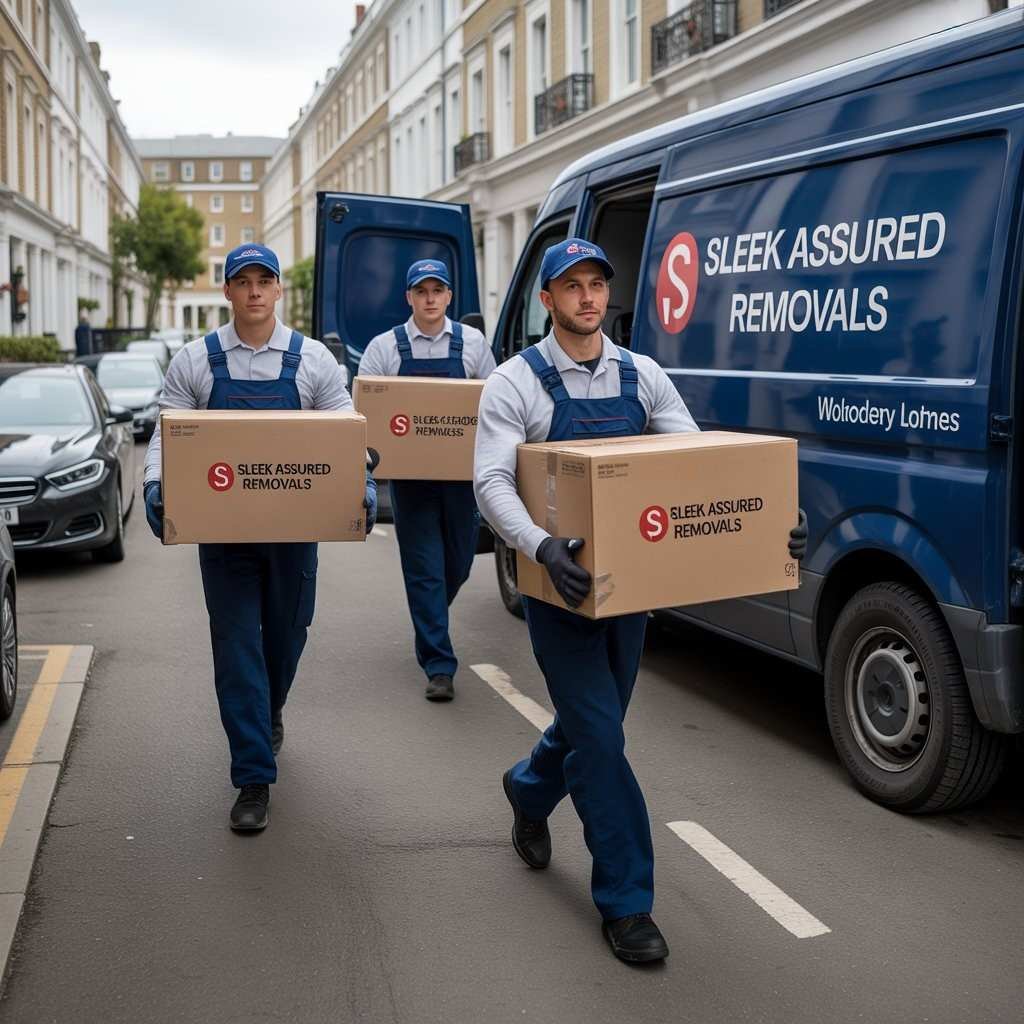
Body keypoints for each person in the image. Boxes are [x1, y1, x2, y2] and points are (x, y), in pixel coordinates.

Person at [474, 238, 808, 964]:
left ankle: (529, 790)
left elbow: (692, 470)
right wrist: (541, 547)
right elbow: (492, 482)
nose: (587, 297)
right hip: (556, 590)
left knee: (591, 729)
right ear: (547, 299)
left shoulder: (642, 374)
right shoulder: (514, 384)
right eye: (572, 286)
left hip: (629, 593)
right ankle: (627, 902)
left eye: (597, 283)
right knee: (601, 739)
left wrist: (770, 522)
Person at [142, 243, 377, 833]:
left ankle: (269, 708)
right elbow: (165, 437)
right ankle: (252, 775)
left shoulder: (315, 361)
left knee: (287, 636)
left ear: (277, 291)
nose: (252, 291)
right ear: (226, 292)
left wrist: (362, 488)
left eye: (263, 281)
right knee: (237, 645)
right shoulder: (195, 362)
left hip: (295, 533)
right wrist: (155, 487)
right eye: (241, 281)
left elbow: (347, 433)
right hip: (222, 535)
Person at [359, 259, 495, 702]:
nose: (431, 298)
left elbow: (492, 405)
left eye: (438, 290)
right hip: (411, 482)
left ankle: (430, 615)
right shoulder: (385, 348)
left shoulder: (473, 344)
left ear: (449, 297)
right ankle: (439, 664)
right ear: (409, 298)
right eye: (422, 291)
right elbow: (367, 412)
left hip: (460, 478)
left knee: (458, 564)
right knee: (424, 571)